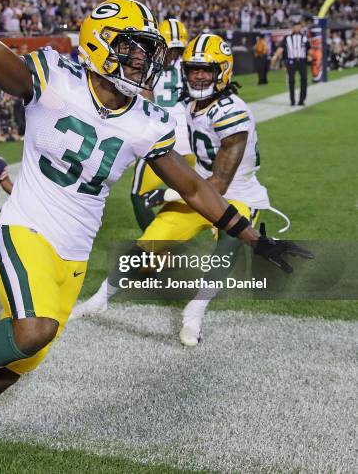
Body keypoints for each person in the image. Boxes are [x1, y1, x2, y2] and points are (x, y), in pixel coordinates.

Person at [0, 0, 311, 473]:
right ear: (103, 44)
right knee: (33, 330)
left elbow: (193, 188)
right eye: (136, 48)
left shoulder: (147, 121)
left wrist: (253, 237)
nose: (146, 61)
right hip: (26, 227)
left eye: (149, 51)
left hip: (72, 254)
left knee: (22, 361)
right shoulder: (54, 77)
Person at [72, 34, 289, 346]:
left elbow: (220, 185)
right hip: (200, 187)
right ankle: (100, 298)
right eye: (192, 69)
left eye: (207, 69)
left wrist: (166, 194)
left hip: (236, 194)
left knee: (228, 244)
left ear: (223, 71)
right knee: (148, 244)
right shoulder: (194, 105)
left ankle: (195, 312)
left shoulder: (231, 111)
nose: (198, 75)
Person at [130, 18, 195, 231]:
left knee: (138, 195)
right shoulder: (193, 66)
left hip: (164, 141)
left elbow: (147, 102)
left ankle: (157, 248)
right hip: (193, 140)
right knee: (201, 192)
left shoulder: (150, 65)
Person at [274, 19, 310, 106]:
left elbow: (309, 48)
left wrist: (310, 56)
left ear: (300, 27)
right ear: (293, 27)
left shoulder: (304, 37)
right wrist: (275, 56)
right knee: (291, 81)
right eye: (295, 26)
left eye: (299, 26)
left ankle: (301, 100)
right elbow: (281, 48)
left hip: (302, 60)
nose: (297, 27)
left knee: (304, 80)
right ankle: (292, 100)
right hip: (291, 61)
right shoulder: (287, 38)